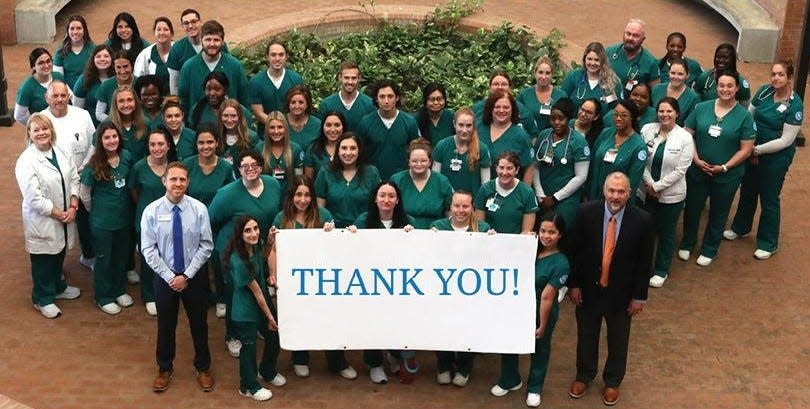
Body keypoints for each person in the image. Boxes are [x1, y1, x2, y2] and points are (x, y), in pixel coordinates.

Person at [567, 172, 654, 406]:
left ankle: (613, 381)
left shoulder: (643, 220)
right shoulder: (586, 213)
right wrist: (573, 284)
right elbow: (575, 252)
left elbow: (645, 263)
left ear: (629, 193)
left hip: (621, 295)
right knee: (586, 335)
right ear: (604, 191)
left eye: (621, 191)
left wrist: (639, 297)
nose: (615, 196)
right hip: (588, 290)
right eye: (611, 191)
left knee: (618, 339)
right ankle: (584, 375)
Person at [267, 176, 357, 380]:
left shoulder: (323, 215)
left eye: (307, 195)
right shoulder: (281, 218)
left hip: (321, 280)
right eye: (298, 194)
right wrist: (273, 274)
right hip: (293, 281)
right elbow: (273, 250)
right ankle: (300, 358)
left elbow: (336, 249)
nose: (303, 199)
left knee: (328, 319)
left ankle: (337, 361)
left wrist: (331, 234)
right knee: (298, 318)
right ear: (291, 197)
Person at [141, 161, 214, 392]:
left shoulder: (199, 209)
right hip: (165, 278)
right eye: (173, 179)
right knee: (165, 325)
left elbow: (206, 245)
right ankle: (164, 368)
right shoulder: (151, 211)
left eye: (182, 179)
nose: (178, 184)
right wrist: (169, 276)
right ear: (164, 181)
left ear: (188, 182)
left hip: (194, 277)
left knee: (199, 324)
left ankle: (203, 367)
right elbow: (148, 249)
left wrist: (187, 275)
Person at [208, 151, 283, 359]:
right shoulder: (227, 194)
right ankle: (233, 335)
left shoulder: (273, 185)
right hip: (234, 254)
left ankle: (258, 324)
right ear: (238, 169)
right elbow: (211, 221)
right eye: (244, 165)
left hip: (260, 250)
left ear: (261, 166)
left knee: (260, 291)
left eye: (255, 164)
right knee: (237, 296)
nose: (250, 168)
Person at [727, 61, 803, 260]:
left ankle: (768, 243)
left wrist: (756, 150)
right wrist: (748, 144)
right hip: (752, 149)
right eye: (773, 74)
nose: (776, 78)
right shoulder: (763, 92)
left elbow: (786, 140)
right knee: (748, 189)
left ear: (789, 77)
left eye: (780, 75)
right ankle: (741, 228)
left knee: (769, 198)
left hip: (775, 157)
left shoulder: (795, 104)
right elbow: (748, 115)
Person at [491, 213, 568, 407]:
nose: (546, 236)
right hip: (517, 307)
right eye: (543, 231)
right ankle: (510, 380)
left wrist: (542, 325)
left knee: (539, 349)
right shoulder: (528, 249)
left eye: (552, 232)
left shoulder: (561, 263)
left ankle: (534, 387)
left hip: (542, 310)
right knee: (510, 342)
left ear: (560, 235)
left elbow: (547, 297)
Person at [679, 71, 754, 267]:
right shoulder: (701, 108)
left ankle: (709, 249)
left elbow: (746, 149)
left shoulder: (744, 117)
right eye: (721, 85)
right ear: (716, 87)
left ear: (737, 88)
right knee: (693, 209)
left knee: (719, 213)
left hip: (726, 176)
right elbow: (688, 136)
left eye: (730, 86)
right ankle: (687, 243)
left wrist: (724, 167)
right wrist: (695, 159)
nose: (725, 89)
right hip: (698, 171)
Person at [347, 181, 416, 384]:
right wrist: (350, 236)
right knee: (372, 322)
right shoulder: (363, 220)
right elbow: (351, 251)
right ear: (375, 198)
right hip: (370, 283)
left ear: (397, 200)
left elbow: (418, 252)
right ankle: (375, 364)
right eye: (382, 195)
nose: (386, 200)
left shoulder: (408, 222)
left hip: (398, 284)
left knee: (396, 320)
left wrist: (414, 237)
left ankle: (394, 356)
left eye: (391, 196)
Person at [15, 113, 82, 319]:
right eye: (36, 130)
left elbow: (74, 177)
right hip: (45, 220)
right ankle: (42, 298)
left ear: (51, 130)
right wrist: (59, 213)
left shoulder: (60, 151)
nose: (42, 133)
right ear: (30, 134)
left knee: (58, 253)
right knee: (43, 260)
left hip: (65, 215)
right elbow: (34, 199)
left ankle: (57, 287)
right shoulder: (26, 161)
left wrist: (73, 204)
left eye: (45, 129)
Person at [430, 190, 492, 388]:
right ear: (450, 206)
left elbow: (491, 258)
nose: (461, 210)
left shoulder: (483, 229)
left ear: (472, 207)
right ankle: (444, 365)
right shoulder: (438, 227)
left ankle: (465, 366)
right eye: (457, 205)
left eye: (465, 206)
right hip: (444, 289)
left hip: (472, 291)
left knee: (468, 327)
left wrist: (495, 242)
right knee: (443, 326)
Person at [637, 98, 693, 287]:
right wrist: (650, 185)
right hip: (646, 191)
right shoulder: (647, 130)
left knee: (667, 233)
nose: (664, 115)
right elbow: (641, 159)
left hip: (671, 195)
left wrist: (658, 187)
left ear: (677, 113)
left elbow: (681, 170)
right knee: (645, 232)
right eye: (661, 111)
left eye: (669, 111)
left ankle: (661, 270)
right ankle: (642, 268)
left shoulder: (685, 137)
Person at [79, 122, 134, 315]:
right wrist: (96, 211)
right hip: (102, 222)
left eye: (114, 136)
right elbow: (84, 194)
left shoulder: (126, 157)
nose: (111, 141)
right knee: (104, 260)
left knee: (121, 257)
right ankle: (104, 297)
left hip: (123, 219)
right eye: (106, 137)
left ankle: (119, 290)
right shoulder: (94, 165)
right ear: (99, 141)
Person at [41, 81, 96, 269]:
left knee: (85, 218)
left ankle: (88, 255)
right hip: (55, 181)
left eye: (63, 95)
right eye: (55, 96)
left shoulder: (82, 115)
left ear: (69, 96)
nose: (59, 99)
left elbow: (93, 144)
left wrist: (84, 166)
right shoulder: (41, 119)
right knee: (57, 223)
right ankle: (57, 267)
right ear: (47, 98)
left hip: (82, 176)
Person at [224, 215, 280, 401]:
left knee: (273, 337)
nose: (253, 233)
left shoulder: (256, 245)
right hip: (246, 312)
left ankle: (267, 371)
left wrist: (270, 242)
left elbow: (262, 259)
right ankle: (248, 386)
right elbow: (257, 293)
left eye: (255, 228)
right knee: (248, 349)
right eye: (247, 230)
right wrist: (270, 317)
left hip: (260, 306)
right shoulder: (238, 261)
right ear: (240, 235)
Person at [182, 124, 235, 318]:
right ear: (196, 144)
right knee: (195, 264)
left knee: (219, 262)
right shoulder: (187, 165)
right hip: (192, 223)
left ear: (217, 143)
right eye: (201, 142)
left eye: (210, 142)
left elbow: (230, 196)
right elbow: (180, 194)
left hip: (218, 225)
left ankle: (221, 298)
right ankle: (200, 297)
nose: (206, 146)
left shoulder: (226, 168)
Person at [130, 128, 177, 316]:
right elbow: (134, 193)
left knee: (169, 257)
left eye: (160, 144)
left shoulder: (174, 167)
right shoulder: (139, 167)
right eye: (152, 144)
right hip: (147, 223)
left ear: (168, 146)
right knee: (149, 259)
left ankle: (168, 289)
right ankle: (149, 296)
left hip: (171, 222)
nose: (156, 148)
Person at [532, 98, 590, 226]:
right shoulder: (544, 135)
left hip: (566, 199)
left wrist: (555, 198)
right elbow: (535, 166)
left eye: (561, 118)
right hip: (542, 197)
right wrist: (540, 194)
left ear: (569, 118)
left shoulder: (578, 142)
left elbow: (581, 177)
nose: (556, 122)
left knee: (561, 232)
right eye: (553, 118)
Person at [178, 20, 247, 115]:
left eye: (216, 40)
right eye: (208, 39)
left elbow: (244, 98)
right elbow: (183, 100)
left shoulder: (235, 66)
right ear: (201, 40)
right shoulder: (189, 67)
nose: (212, 44)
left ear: (222, 42)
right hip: (197, 125)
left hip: (229, 124)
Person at [315, 132, 382, 227]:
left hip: (364, 230)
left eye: (353, 148)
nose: (348, 152)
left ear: (359, 151)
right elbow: (320, 209)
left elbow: (377, 207)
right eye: (344, 148)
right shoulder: (325, 172)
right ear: (337, 151)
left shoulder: (372, 173)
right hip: (333, 231)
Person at [357, 79, 420, 180]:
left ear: (397, 98)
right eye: (382, 97)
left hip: (402, 180)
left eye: (390, 96)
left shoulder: (409, 122)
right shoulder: (366, 122)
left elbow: (416, 152)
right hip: (373, 180)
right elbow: (359, 154)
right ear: (376, 99)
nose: (386, 101)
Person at [587, 99, 646, 201]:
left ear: (632, 117)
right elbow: (592, 163)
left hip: (617, 200)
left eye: (623, 115)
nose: (618, 118)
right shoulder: (606, 133)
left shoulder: (639, 147)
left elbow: (632, 183)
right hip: (595, 195)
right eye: (615, 114)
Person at [390, 139, 454, 229]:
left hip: (435, 233)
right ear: (408, 161)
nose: (419, 164)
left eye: (423, 161)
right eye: (414, 161)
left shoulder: (442, 181)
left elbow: (450, 213)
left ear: (430, 162)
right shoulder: (397, 180)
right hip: (404, 233)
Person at [432, 107, 491, 199]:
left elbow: (485, 184)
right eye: (461, 125)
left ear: (473, 126)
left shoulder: (482, 149)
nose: (464, 130)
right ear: (454, 124)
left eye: (468, 125)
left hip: (471, 206)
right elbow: (435, 179)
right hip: (447, 203)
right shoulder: (442, 146)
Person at [248, 39, 304, 136]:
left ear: (286, 57)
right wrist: (276, 126)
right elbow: (257, 112)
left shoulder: (295, 79)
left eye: (281, 55)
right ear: (267, 57)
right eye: (273, 55)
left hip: (292, 132)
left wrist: (287, 126)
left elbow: (301, 107)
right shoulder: (256, 81)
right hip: (266, 134)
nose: (277, 58)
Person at [474, 151, 538, 234]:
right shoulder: (485, 189)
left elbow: (526, 232)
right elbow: (480, 227)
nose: (504, 173)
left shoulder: (527, 192)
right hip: (489, 242)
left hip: (516, 243)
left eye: (509, 168)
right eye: (501, 167)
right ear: (496, 168)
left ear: (517, 170)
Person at [168, 9, 229, 95]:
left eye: (194, 22)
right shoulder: (177, 49)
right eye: (186, 23)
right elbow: (174, 83)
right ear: (182, 26)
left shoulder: (217, 45)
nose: (190, 26)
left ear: (200, 22)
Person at [477, 90, 534, 181]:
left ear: (513, 109)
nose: (501, 110)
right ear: (491, 108)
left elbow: (530, 167)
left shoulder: (521, 136)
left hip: (508, 191)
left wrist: (523, 193)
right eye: (497, 107)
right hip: (478, 190)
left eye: (506, 107)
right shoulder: (478, 128)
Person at [471, 70, 539, 138]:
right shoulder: (477, 109)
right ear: (489, 87)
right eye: (496, 84)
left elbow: (533, 136)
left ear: (509, 88)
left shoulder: (522, 110)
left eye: (504, 84)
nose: (500, 87)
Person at [315, 60, 375, 132]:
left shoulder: (369, 105)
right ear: (340, 77)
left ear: (359, 78)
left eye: (353, 78)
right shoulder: (327, 104)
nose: (350, 82)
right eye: (346, 78)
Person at [561, 42, 621, 113]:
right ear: (584, 59)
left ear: (603, 61)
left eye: (597, 60)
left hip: (600, 123)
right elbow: (562, 103)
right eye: (589, 59)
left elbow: (615, 110)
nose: (592, 63)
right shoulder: (574, 76)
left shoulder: (612, 82)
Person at [605, 19, 660, 94]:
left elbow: (655, 92)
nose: (630, 38)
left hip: (629, 103)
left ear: (642, 39)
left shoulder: (651, 62)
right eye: (628, 34)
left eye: (635, 36)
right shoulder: (609, 52)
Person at [188, 71, 255, 131]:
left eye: (217, 89)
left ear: (225, 90)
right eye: (208, 89)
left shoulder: (239, 110)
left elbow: (250, 135)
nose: (212, 93)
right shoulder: (197, 109)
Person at [15, 48, 66, 126]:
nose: (46, 65)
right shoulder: (26, 88)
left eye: (48, 61)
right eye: (41, 63)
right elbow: (19, 115)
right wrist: (37, 125)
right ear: (33, 67)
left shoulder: (59, 76)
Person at [518, 56, 569, 133]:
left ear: (552, 74)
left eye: (547, 73)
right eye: (540, 72)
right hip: (529, 139)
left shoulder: (561, 96)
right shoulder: (524, 95)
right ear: (535, 73)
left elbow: (566, 122)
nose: (544, 77)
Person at [257, 112, 304, 193]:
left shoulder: (296, 149)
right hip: (266, 197)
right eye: (272, 127)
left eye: (280, 127)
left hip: (289, 199)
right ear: (267, 129)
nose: (276, 131)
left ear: (285, 128)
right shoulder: (259, 149)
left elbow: (299, 179)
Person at [651, 58, 699, 127]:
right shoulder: (656, 89)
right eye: (673, 73)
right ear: (668, 73)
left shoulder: (693, 98)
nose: (676, 77)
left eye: (680, 74)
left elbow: (690, 125)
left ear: (687, 75)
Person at [73, 45, 114, 126]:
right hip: (91, 125)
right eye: (98, 56)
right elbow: (78, 110)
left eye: (106, 56)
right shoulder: (84, 79)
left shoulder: (117, 78)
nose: (102, 59)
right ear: (93, 59)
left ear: (112, 59)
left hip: (115, 125)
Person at [108, 84, 149, 162]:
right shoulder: (107, 124)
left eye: (130, 100)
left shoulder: (145, 123)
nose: (126, 105)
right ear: (115, 104)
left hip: (139, 170)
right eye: (121, 101)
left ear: (136, 102)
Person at [53, 15, 95, 89]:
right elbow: (58, 78)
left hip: (88, 91)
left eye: (79, 28)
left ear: (84, 30)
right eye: (72, 29)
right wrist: (71, 96)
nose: (75, 32)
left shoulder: (92, 48)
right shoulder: (60, 51)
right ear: (67, 31)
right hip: (67, 94)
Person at [215, 99, 259, 166]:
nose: (229, 120)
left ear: (240, 117)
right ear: (220, 117)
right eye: (225, 116)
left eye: (233, 116)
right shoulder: (215, 136)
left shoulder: (251, 137)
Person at [95, 50, 135, 123]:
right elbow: (99, 113)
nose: (122, 71)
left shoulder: (139, 83)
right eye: (118, 67)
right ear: (114, 67)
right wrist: (116, 122)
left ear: (132, 65)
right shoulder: (106, 85)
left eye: (125, 66)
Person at [304, 111, 344, 179]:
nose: (332, 129)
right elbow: (308, 182)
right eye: (328, 125)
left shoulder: (350, 149)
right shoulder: (313, 149)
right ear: (322, 127)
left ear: (343, 127)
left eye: (337, 125)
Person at [133, 17, 174, 85]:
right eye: (158, 29)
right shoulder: (145, 54)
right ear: (154, 32)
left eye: (166, 29)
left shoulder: (179, 50)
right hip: (153, 95)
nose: (162, 33)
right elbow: (138, 81)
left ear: (171, 33)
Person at [285, 85, 321, 151]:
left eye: (301, 102)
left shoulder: (317, 125)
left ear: (307, 104)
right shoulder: (281, 122)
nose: (297, 106)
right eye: (293, 102)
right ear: (288, 104)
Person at [160, 96, 196, 160]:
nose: (173, 120)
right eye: (169, 116)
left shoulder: (193, 136)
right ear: (163, 117)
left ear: (182, 115)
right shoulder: (158, 137)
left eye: (177, 116)